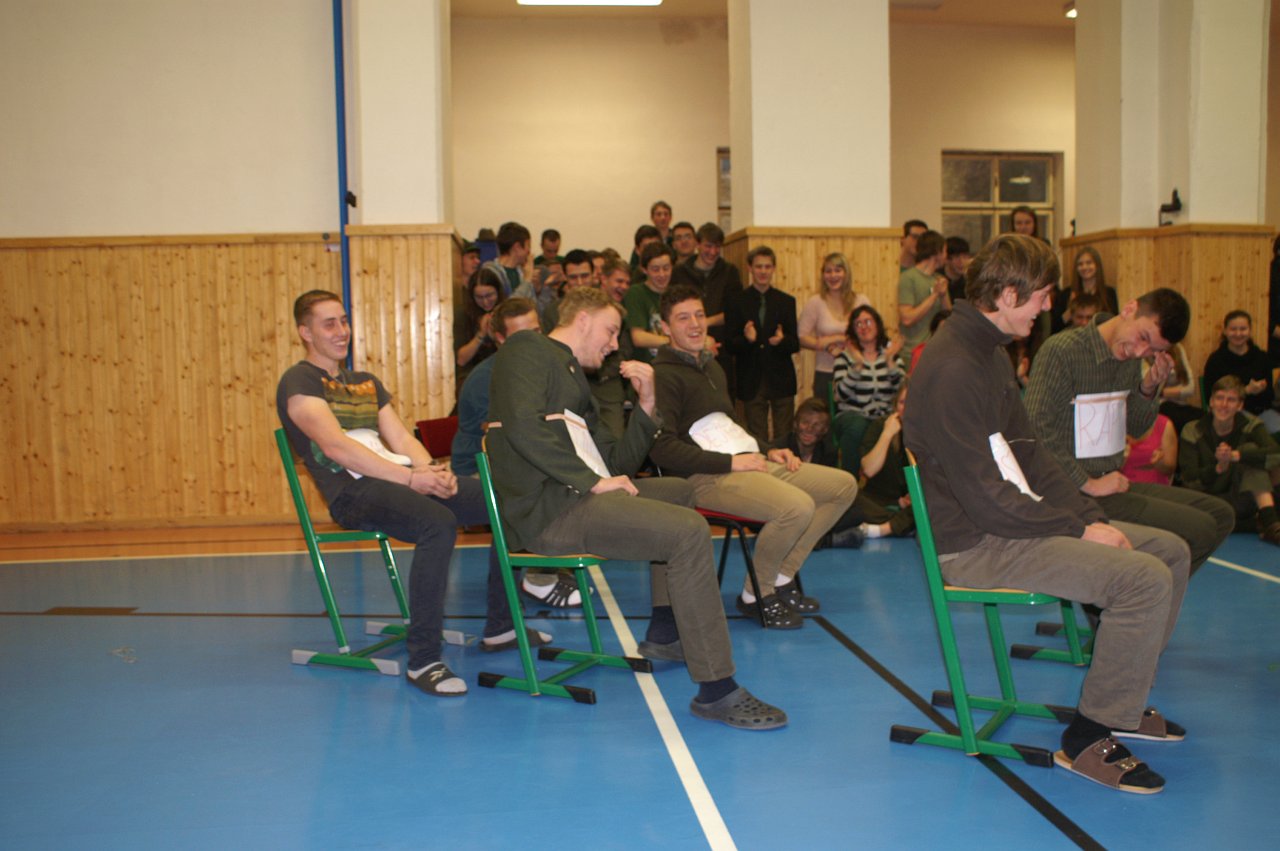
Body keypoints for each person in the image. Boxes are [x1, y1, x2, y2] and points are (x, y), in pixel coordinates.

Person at [905, 234, 1191, 795]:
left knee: (1170, 553)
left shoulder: (989, 353)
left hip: (1005, 522)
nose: (1047, 306)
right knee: (1143, 579)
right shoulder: (954, 367)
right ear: (1008, 295)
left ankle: (1122, 698)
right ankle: (1087, 737)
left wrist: (1087, 515)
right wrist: (1079, 528)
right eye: (1041, 295)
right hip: (975, 544)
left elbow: (1031, 456)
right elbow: (985, 498)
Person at [486, 286, 787, 730]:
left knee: (679, 492)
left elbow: (618, 464)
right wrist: (593, 482)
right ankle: (717, 689)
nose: (614, 344)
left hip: (578, 497)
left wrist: (646, 406)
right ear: (583, 319)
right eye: (610, 331)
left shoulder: (575, 379)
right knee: (688, 532)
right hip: (551, 510)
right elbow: (521, 427)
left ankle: (665, 631)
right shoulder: (527, 348)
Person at [277, 291, 546, 698]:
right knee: (438, 523)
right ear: (305, 332)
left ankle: (502, 626)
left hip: (400, 478)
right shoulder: (299, 382)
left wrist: (431, 471)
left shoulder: (365, 382)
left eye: (344, 320)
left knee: (504, 500)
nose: (341, 330)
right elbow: (336, 447)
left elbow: (401, 437)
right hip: (354, 492)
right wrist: (410, 479)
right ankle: (423, 659)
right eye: (329, 323)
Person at [651, 284, 856, 629]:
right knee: (797, 507)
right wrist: (730, 463)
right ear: (665, 327)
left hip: (747, 462)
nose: (695, 324)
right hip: (706, 478)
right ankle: (756, 594)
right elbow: (662, 449)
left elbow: (729, 425)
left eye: (699, 315)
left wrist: (767, 448)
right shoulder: (662, 376)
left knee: (843, 486)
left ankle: (781, 577)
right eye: (683, 318)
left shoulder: (711, 367)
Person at [1024, 287, 1234, 577]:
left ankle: (1141, 591)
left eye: (1153, 351)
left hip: (1111, 483)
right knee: (1201, 528)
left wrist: (1148, 388)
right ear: (1129, 309)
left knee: (1221, 516)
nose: (1139, 352)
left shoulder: (1131, 361)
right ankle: (1139, 592)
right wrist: (1087, 483)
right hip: (1071, 489)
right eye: (1143, 337)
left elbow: (1136, 428)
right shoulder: (1062, 351)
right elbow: (1035, 427)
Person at [452, 299, 584, 608]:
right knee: (535, 492)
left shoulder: (545, 366)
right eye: (520, 336)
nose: (532, 341)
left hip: (516, 460)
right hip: (477, 467)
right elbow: (505, 439)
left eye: (536, 332)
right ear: (499, 339)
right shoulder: (485, 378)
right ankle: (537, 579)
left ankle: (546, 565)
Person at [1179, 376, 1280, 544]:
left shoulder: (1251, 425)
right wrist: (1217, 468)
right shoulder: (1192, 430)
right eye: (1219, 398)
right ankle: (1258, 523)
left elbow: (1277, 454)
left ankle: (1270, 525)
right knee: (1193, 514)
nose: (1224, 405)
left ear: (1240, 405)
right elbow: (1189, 478)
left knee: (1250, 450)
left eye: (1231, 400)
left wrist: (1237, 455)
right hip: (1206, 499)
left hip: (1241, 497)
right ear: (1211, 402)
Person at [726, 245, 799, 444]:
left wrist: (782, 341)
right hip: (751, 377)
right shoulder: (736, 301)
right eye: (759, 266)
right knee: (756, 436)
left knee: (784, 434)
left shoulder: (786, 301)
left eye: (767, 266)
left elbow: (795, 344)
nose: (763, 271)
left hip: (781, 378)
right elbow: (730, 344)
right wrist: (747, 340)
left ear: (774, 268)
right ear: (750, 268)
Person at [670, 222, 743, 397]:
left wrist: (704, 324)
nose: (712, 252)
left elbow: (735, 311)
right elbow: (674, 309)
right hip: (687, 346)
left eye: (717, 247)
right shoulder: (680, 272)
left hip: (722, 348)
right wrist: (700, 329)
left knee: (723, 396)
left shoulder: (730, 272)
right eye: (708, 246)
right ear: (698, 244)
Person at [831, 305, 905, 474]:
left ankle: (891, 483)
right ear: (853, 330)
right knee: (856, 427)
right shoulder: (844, 357)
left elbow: (901, 391)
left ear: (877, 325)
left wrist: (890, 362)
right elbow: (839, 396)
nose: (864, 327)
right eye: (858, 324)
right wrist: (857, 367)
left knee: (894, 425)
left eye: (868, 321)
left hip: (884, 414)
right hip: (853, 415)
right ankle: (851, 480)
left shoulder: (891, 354)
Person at [799, 252, 869, 401]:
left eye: (838, 270)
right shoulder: (815, 302)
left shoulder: (861, 301)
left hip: (857, 369)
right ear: (823, 275)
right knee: (825, 414)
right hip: (826, 373)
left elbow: (872, 334)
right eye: (828, 271)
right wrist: (829, 344)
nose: (833, 275)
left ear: (846, 273)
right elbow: (801, 337)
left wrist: (846, 341)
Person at [854, 381, 916, 540]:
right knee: (850, 497)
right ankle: (903, 524)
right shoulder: (879, 426)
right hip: (880, 502)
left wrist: (911, 497)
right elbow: (869, 470)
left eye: (913, 402)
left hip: (915, 503)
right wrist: (887, 434)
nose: (907, 408)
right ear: (895, 405)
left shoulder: (928, 432)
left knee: (932, 501)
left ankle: (885, 528)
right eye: (902, 402)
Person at [1202, 310, 1280, 432]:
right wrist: (1246, 391)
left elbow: (1270, 397)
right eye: (1233, 329)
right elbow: (1210, 397)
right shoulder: (1216, 361)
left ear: (1250, 331)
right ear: (1225, 331)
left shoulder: (1261, 357)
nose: (1238, 334)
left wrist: (1261, 390)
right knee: (1252, 433)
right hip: (1228, 414)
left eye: (1243, 329)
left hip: (1261, 413)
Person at [897, 230, 951, 349]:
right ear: (937, 252)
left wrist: (943, 296)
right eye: (945, 251)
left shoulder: (939, 279)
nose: (946, 256)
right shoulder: (908, 278)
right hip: (912, 350)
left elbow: (948, 318)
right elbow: (907, 319)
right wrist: (934, 295)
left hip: (936, 349)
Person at [623, 242, 675, 362]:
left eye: (666, 268)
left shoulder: (676, 294)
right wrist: (677, 342)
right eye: (655, 269)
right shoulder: (636, 293)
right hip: (647, 364)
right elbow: (638, 337)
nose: (662, 274)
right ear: (644, 269)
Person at [453, 268, 505, 390]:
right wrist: (481, 334)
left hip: (501, 372)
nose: (485, 302)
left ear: (498, 292)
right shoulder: (463, 315)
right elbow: (461, 360)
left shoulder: (506, 312)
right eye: (479, 297)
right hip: (471, 375)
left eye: (489, 295)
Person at [1121, 414, 1177, 486]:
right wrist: (1122, 459)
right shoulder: (1115, 422)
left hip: (1153, 486)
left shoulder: (1163, 423)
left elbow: (1170, 469)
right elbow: (1109, 470)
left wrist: (1158, 462)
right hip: (1120, 485)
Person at [943, 236, 971, 302]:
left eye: (965, 256)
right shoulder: (936, 279)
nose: (962, 262)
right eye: (957, 257)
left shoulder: (968, 283)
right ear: (946, 259)